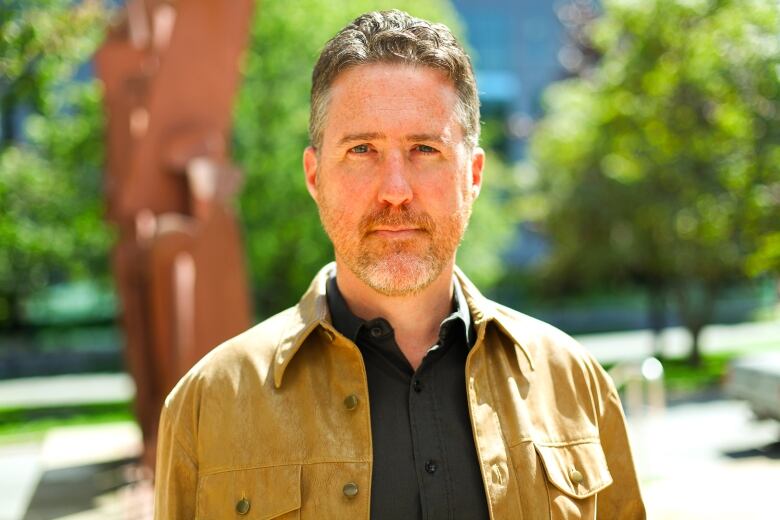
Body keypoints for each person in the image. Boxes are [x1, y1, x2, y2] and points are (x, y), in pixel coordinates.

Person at [154, 10, 645, 519]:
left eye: (424, 148)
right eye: (362, 149)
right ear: (314, 175)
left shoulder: (573, 382)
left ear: (473, 175)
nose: (394, 190)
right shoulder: (207, 405)